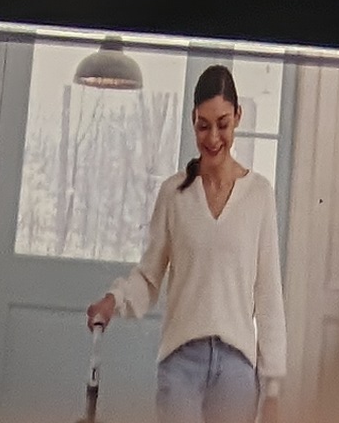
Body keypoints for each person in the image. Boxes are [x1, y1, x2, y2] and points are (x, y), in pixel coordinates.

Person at [87, 63, 287, 419]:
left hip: (237, 368)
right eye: (203, 125)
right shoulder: (174, 194)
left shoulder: (259, 195)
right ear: (193, 120)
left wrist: (272, 389)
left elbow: (268, 294)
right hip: (181, 364)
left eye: (223, 124)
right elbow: (149, 277)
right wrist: (114, 299)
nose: (213, 138)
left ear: (238, 117)